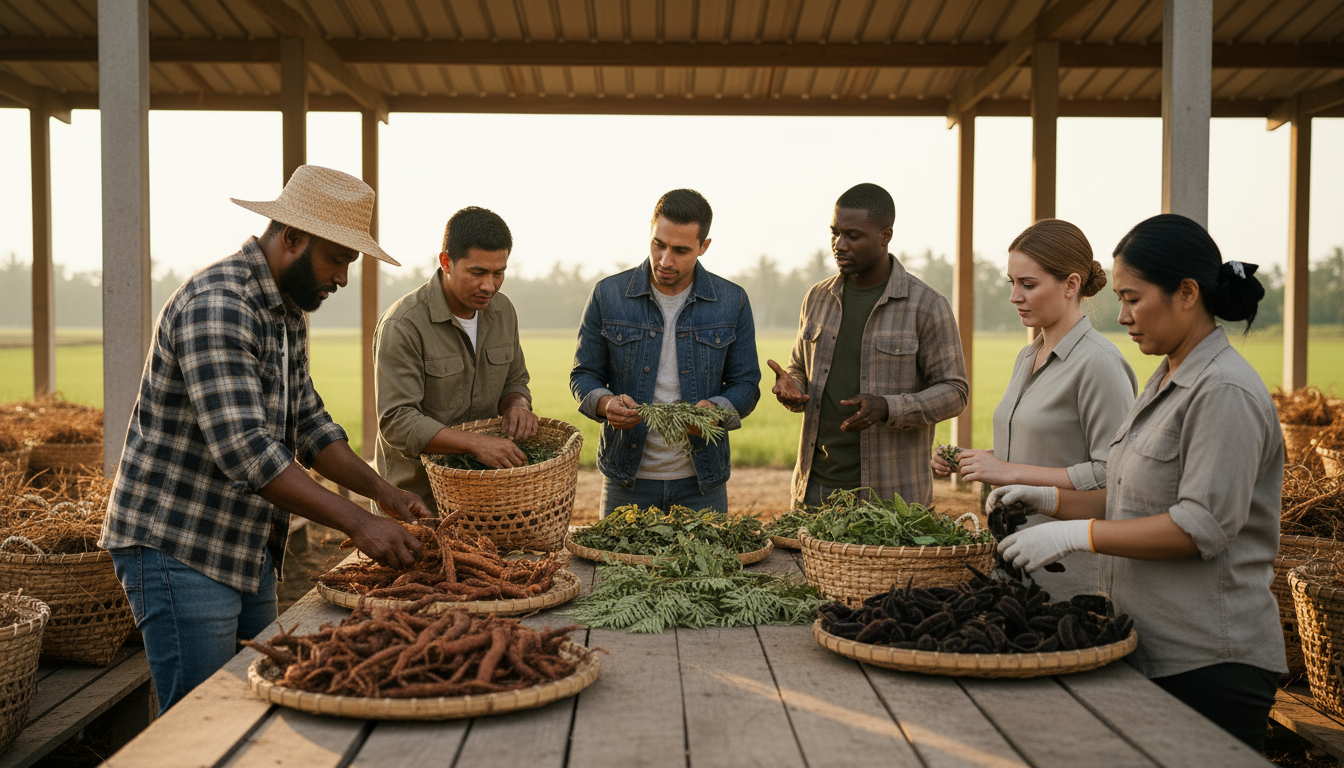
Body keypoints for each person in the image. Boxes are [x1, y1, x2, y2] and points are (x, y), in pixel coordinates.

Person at [99, 165, 431, 713]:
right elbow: (248, 451)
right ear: (292, 238)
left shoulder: (286, 310)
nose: (344, 278)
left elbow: (309, 424)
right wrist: (359, 522)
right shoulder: (219, 303)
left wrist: (383, 494)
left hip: (244, 538)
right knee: (200, 718)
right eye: (338, 260)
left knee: (257, 703)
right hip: (180, 544)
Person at [990, 213, 1285, 750]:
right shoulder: (1166, 376)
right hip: (1146, 644)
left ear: (1187, 293)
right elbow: (1127, 494)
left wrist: (1077, 536)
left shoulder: (1222, 391)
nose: (1121, 315)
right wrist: (1051, 500)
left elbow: (1202, 527)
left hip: (1207, 660)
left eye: (1133, 298)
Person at [931, 219, 1137, 598]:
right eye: (1012, 282)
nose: (1014, 296)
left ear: (1071, 285)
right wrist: (975, 459)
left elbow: (1114, 475)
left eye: (1028, 284)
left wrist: (1006, 471)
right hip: (1011, 564)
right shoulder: (1027, 356)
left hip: (1071, 577)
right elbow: (1035, 454)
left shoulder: (1100, 364)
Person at [770, 183, 968, 508]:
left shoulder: (927, 305)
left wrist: (888, 407)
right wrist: (793, 386)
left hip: (892, 499)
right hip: (814, 490)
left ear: (885, 235)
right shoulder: (817, 297)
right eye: (835, 233)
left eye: (853, 235)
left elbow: (955, 393)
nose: (838, 245)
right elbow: (799, 368)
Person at [570, 189, 760, 517]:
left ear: (704, 247)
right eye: (659, 244)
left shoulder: (732, 301)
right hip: (626, 481)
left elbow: (746, 385)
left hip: (702, 483)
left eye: (681, 250)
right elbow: (583, 374)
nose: (665, 260)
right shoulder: (608, 295)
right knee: (620, 567)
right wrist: (605, 403)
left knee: (705, 569)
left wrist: (714, 412)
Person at [374, 206, 536, 512]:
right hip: (417, 506)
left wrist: (517, 405)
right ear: (446, 262)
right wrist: (476, 443)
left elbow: (515, 380)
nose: (489, 285)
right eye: (477, 272)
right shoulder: (403, 324)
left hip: (485, 503)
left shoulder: (504, 312)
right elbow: (396, 421)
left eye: (498, 273)